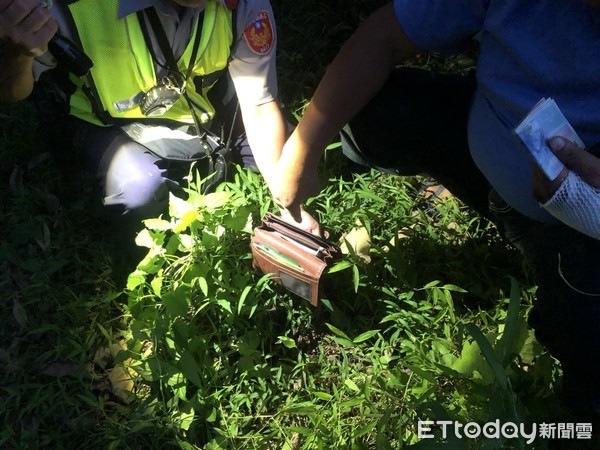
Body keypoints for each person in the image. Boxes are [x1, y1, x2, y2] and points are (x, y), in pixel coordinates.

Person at [269, 0, 600, 422]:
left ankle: (583, 406)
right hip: (493, 143)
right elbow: (382, 37)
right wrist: (301, 152)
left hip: (581, 223)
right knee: (378, 113)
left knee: (583, 329)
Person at [0, 0, 317, 229]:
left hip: (204, 113)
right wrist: (14, 55)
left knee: (293, 162)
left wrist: (287, 199)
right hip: (108, 123)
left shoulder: (243, 6)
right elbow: (13, 92)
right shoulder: (61, 7)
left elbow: (260, 105)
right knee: (141, 191)